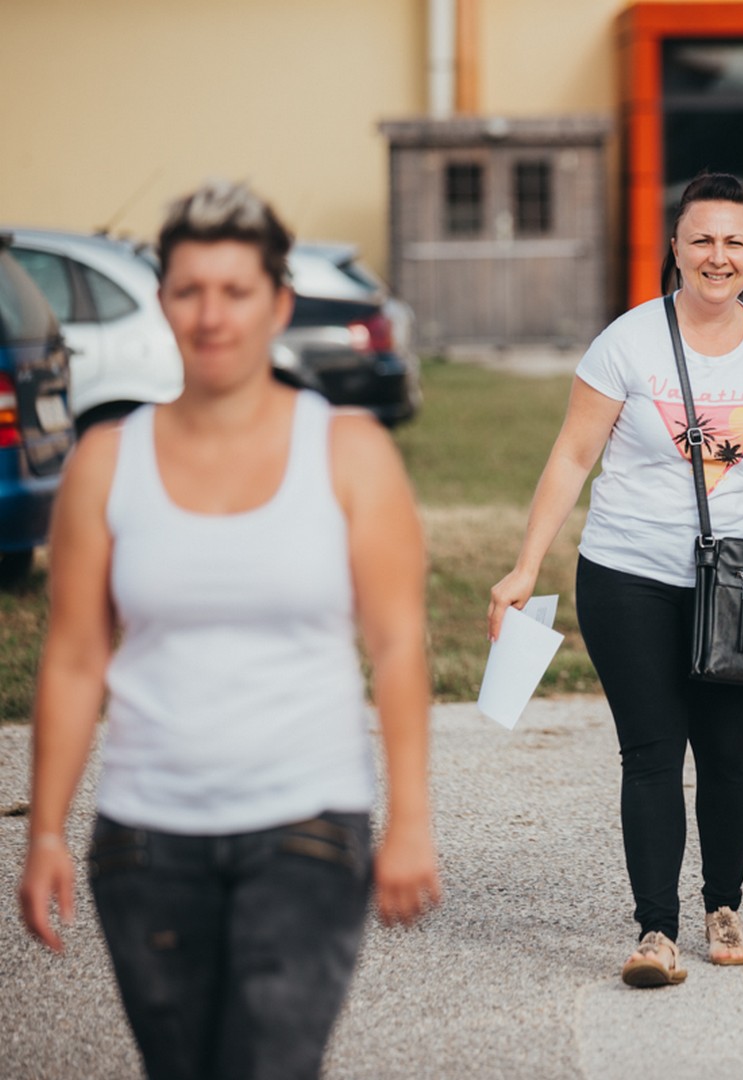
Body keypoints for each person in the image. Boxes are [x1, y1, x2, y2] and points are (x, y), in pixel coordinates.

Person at [16, 180, 442, 1079]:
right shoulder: (106, 460)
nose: (212, 316)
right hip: (144, 839)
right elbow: (73, 658)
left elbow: (399, 643)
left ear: (277, 302)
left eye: (236, 291)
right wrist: (45, 830)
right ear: (163, 300)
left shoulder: (350, 451)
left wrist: (411, 818)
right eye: (189, 291)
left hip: (308, 828)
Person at [489, 172, 743, 988]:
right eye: (701, 239)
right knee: (652, 752)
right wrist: (526, 565)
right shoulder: (627, 342)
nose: (718, 256)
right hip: (627, 574)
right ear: (674, 247)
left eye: (734, 241)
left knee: (730, 753)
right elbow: (572, 456)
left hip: (741, 586)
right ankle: (656, 931)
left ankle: (725, 907)